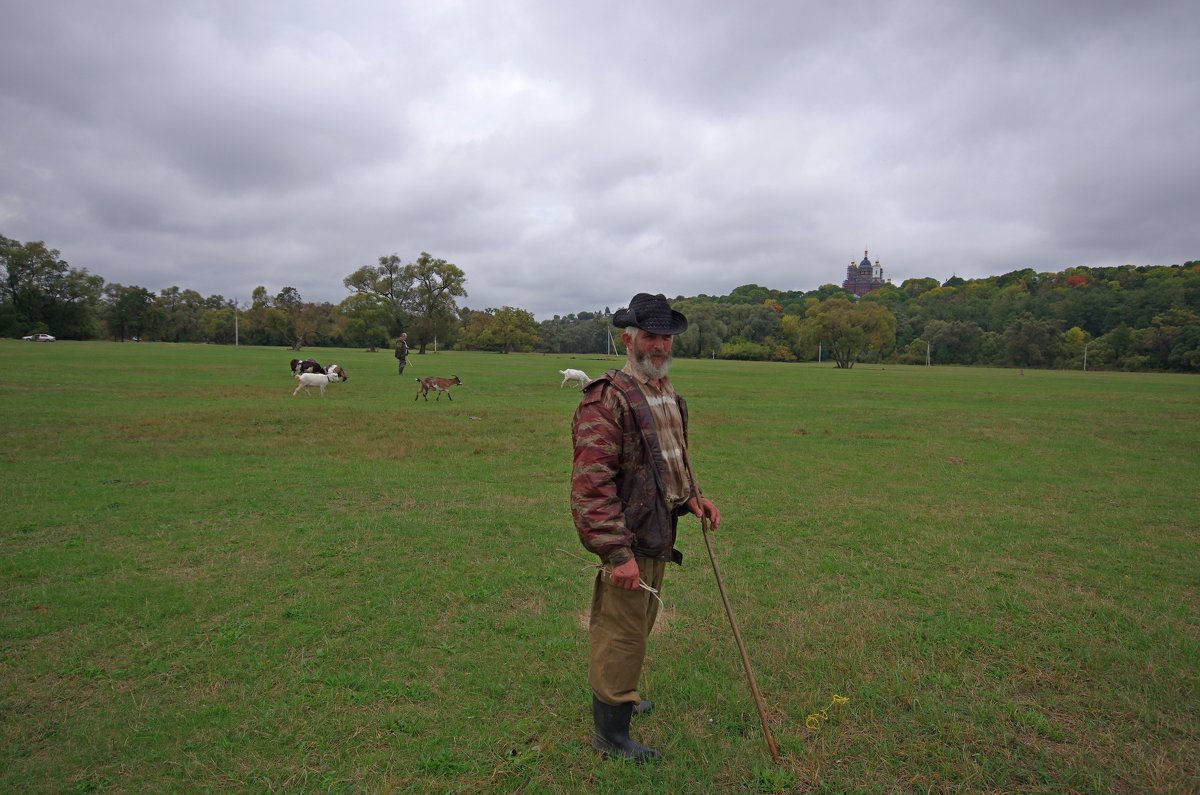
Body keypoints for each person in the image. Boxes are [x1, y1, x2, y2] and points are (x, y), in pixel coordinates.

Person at [570, 292, 721, 763]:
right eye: (650, 336)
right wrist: (616, 553)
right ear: (627, 338)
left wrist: (692, 497)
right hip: (629, 539)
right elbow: (591, 486)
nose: (659, 346)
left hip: (658, 533)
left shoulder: (667, 394)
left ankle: (623, 697)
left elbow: (670, 462)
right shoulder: (606, 399)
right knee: (621, 632)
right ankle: (609, 733)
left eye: (665, 337)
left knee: (640, 625)